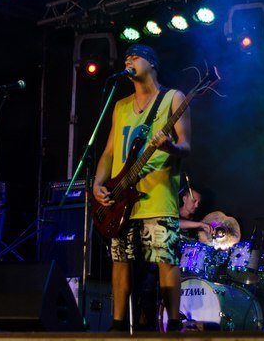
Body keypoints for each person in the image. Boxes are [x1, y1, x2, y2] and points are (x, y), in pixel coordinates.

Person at [92, 44, 191, 332]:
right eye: (126, 57)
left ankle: (173, 323)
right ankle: (118, 324)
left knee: (165, 259)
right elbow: (109, 152)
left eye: (135, 57)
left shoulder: (173, 98)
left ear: (152, 63)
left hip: (157, 195)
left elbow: (186, 145)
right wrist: (98, 183)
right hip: (120, 196)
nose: (128, 60)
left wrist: (170, 146)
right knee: (120, 259)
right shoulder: (121, 105)